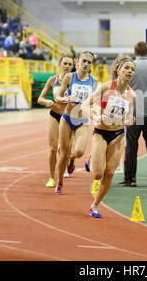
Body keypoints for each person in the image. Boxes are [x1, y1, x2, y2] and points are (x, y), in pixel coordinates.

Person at [81, 55, 136, 218]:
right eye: (126, 68)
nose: (130, 71)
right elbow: (85, 105)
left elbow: (129, 117)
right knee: (97, 174)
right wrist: (94, 116)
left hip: (118, 134)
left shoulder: (132, 95)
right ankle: (91, 159)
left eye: (133, 69)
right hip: (101, 132)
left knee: (110, 172)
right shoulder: (106, 87)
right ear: (118, 70)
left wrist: (130, 120)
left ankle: (94, 206)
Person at [121, 41, 147, 187]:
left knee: (131, 146)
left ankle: (130, 178)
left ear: (135, 51)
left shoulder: (129, 66)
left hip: (133, 111)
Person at [54, 51, 95, 194]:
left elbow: (95, 102)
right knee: (63, 154)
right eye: (84, 61)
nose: (86, 64)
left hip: (82, 120)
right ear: (78, 61)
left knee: (79, 151)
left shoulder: (93, 81)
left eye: (89, 62)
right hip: (67, 118)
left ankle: (72, 160)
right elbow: (58, 97)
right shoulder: (69, 77)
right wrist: (66, 99)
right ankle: (60, 182)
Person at [38, 55, 74, 188]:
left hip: (69, 117)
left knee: (66, 150)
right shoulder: (52, 80)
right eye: (65, 63)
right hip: (54, 114)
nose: (67, 66)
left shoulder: (75, 81)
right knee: (53, 149)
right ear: (60, 64)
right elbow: (40, 98)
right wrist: (47, 101)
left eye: (70, 64)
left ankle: (71, 161)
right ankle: (52, 178)